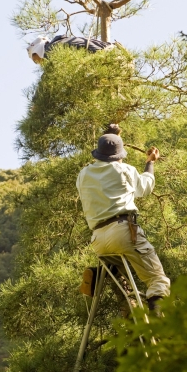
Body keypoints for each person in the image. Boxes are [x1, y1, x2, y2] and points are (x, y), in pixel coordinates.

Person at [76, 132, 170, 314]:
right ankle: (159, 331)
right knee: (157, 280)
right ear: (118, 156)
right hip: (122, 231)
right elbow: (146, 187)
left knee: (117, 262)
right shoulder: (124, 170)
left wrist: (111, 133)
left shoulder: (83, 174)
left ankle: (98, 275)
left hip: (98, 239)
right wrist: (150, 162)